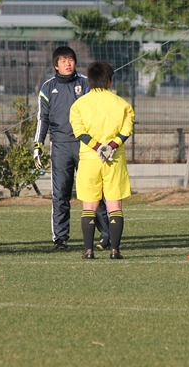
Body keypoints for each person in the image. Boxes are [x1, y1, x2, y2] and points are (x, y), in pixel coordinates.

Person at [34, 46, 111, 250]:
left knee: (93, 192)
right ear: (56, 65)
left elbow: (95, 112)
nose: (67, 63)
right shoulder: (48, 87)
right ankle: (60, 238)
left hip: (85, 146)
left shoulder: (85, 83)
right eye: (63, 60)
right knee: (61, 194)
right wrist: (38, 144)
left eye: (70, 60)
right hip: (59, 146)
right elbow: (42, 119)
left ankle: (106, 235)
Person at [69, 60, 134, 260]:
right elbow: (127, 129)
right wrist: (111, 146)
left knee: (89, 206)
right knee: (115, 206)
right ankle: (115, 250)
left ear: (89, 81)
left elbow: (79, 131)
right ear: (109, 81)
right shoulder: (122, 104)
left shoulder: (79, 104)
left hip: (89, 159)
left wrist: (97, 147)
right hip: (114, 158)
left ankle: (88, 251)